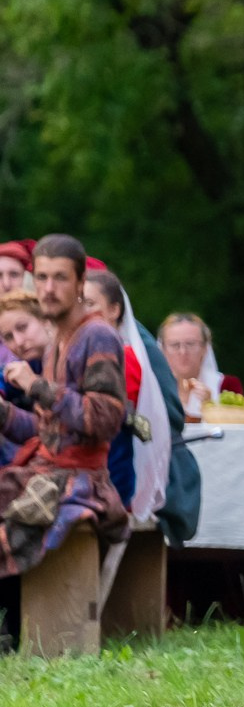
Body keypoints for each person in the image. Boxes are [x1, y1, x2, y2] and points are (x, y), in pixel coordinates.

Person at [0, 236, 130, 580]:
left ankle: (11, 626)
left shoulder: (97, 336)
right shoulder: (56, 338)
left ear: (80, 283)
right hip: (44, 469)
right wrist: (3, 414)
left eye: (60, 278)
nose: (48, 288)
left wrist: (36, 386)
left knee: (15, 527)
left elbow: (103, 419)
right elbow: (50, 433)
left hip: (81, 482)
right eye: (42, 278)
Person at [82, 268, 175, 523]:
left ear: (114, 310)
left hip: (111, 473)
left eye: (90, 303)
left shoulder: (126, 359)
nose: (82, 312)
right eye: (78, 303)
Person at [157, 313, 244, 416]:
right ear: (163, 349)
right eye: (174, 345)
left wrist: (211, 407)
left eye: (190, 344)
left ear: (205, 348)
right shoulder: (153, 388)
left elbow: (240, 428)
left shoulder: (226, 385)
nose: (183, 352)